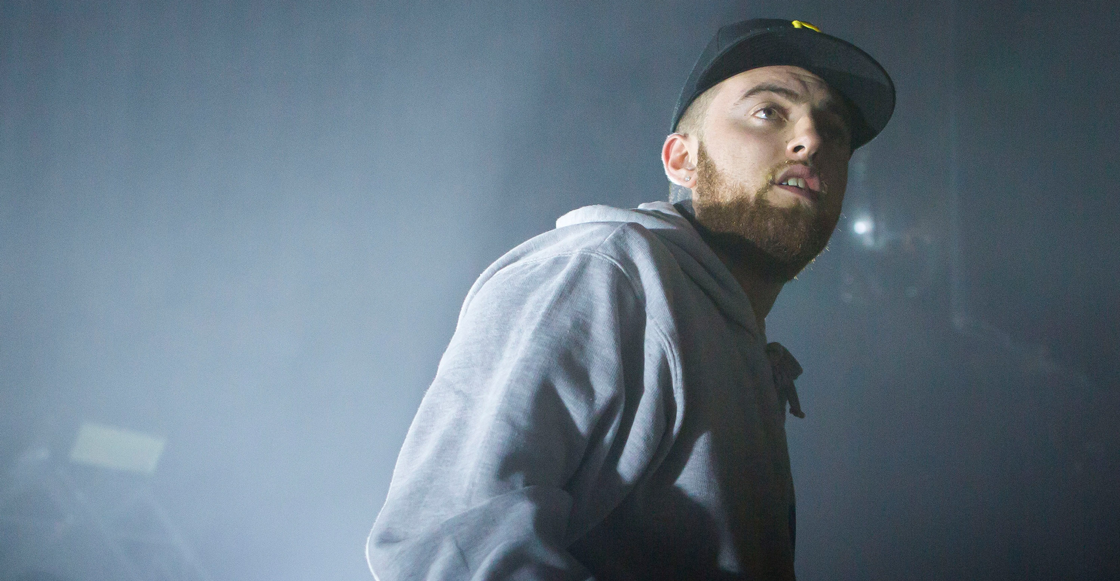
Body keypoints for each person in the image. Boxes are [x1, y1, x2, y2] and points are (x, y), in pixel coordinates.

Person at [367, 18, 895, 580]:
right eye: (769, 111)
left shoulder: (737, 345)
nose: (812, 139)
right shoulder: (605, 272)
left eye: (834, 130)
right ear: (682, 160)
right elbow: (451, 549)